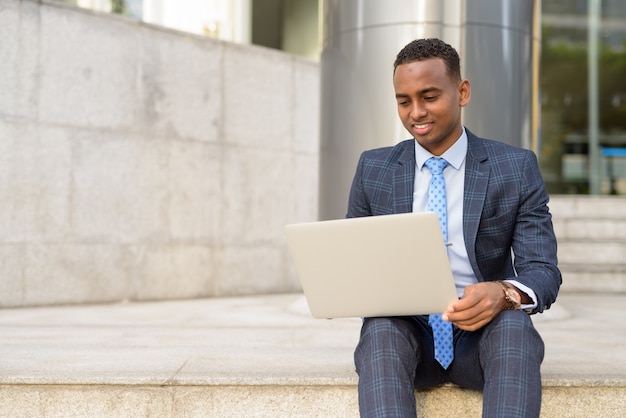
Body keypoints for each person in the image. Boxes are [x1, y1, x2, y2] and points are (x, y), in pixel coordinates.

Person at [347, 38, 561, 417]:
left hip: (483, 336)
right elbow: (354, 264)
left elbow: (542, 270)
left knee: (515, 329)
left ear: (462, 92)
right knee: (380, 329)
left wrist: (505, 293)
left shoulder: (515, 167)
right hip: (405, 336)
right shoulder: (373, 170)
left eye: (429, 96)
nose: (416, 112)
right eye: (403, 100)